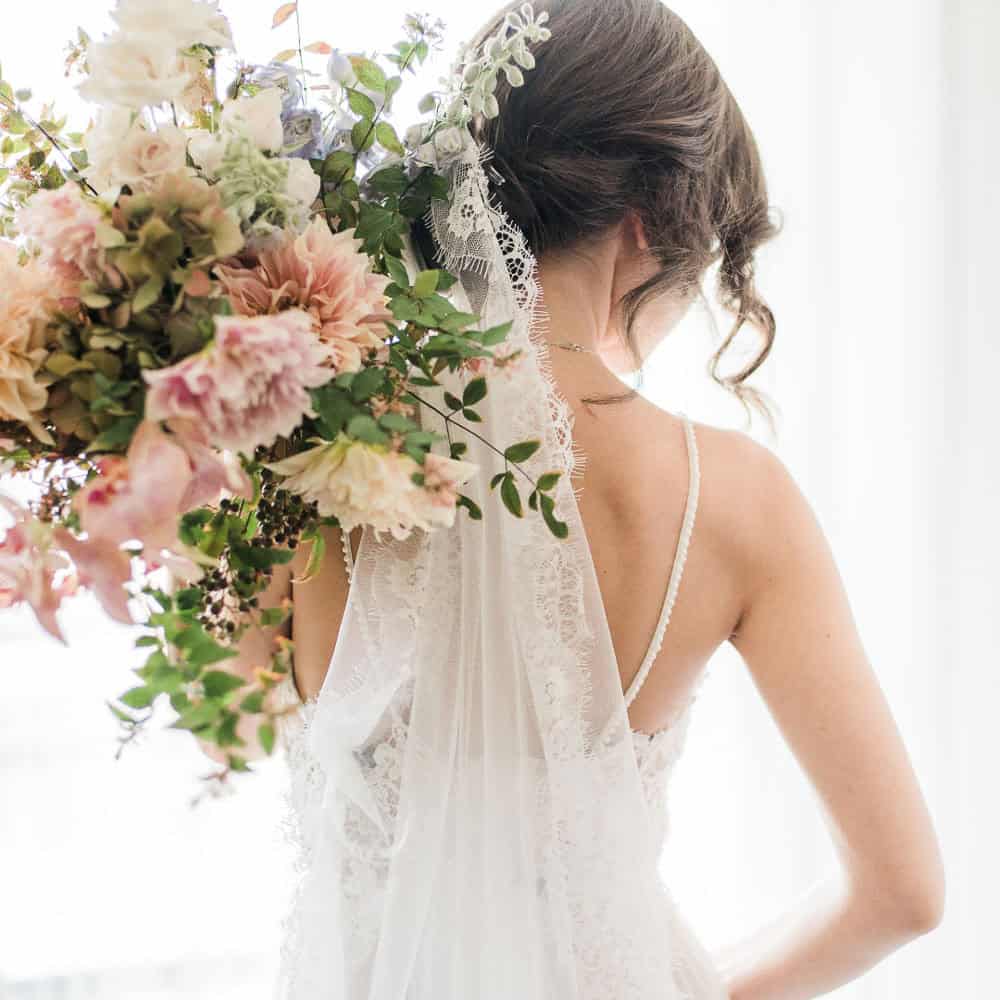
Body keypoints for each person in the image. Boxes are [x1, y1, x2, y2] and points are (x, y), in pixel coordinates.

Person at [234, 2, 945, 997]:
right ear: (646, 228)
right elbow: (902, 894)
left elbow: (235, 701)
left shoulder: (305, 443)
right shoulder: (733, 501)